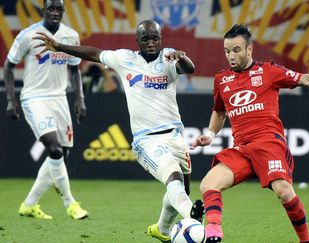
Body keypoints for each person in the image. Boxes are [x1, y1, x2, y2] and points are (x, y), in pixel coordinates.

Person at [33, 19, 204, 242]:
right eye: (145, 39)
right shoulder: (125, 59)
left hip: (175, 137)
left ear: (161, 39)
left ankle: (162, 230)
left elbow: (189, 68)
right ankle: (193, 220)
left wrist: (180, 56)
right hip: (147, 141)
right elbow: (95, 53)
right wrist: (60, 46)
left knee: (181, 190)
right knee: (173, 178)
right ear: (137, 41)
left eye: (155, 38)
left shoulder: (169, 56)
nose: (151, 43)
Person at [191, 24, 309, 243]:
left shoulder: (269, 71)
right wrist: (211, 135)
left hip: (268, 143)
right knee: (208, 183)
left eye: (236, 50)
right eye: (227, 51)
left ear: (250, 49)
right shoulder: (222, 80)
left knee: (284, 192)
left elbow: (307, 79)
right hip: (242, 148)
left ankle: (306, 240)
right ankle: (213, 231)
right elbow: (219, 112)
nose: (231, 56)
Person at [3, 0, 88, 220]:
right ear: (44, 10)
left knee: (62, 154)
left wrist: (80, 99)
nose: (55, 12)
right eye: (50, 8)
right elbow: (9, 65)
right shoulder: (28, 35)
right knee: (54, 149)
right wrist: (11, 100)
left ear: (63, 11)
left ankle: (29, 204)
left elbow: (74, 69)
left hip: (59, 98)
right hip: (34, 98)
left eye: (59, 9)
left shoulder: (70, 36)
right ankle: (71, 204)